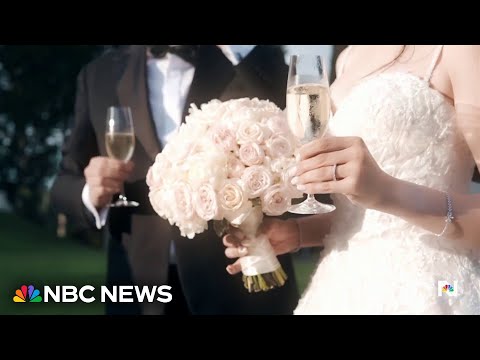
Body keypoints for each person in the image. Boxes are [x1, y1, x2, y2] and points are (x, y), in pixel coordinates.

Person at [224, 45, 480, 315]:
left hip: (437, 288)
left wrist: (388, 191)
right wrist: (298, 232)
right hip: (340, 291)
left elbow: (386, 200)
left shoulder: (459, 50)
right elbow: (369, 218)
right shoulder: (349, 57)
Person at [51, 45, 299, 315]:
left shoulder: (240, 57)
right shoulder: (98, 75)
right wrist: (90, 193)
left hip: (238, 286)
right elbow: (64, 184)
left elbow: (297, 123)